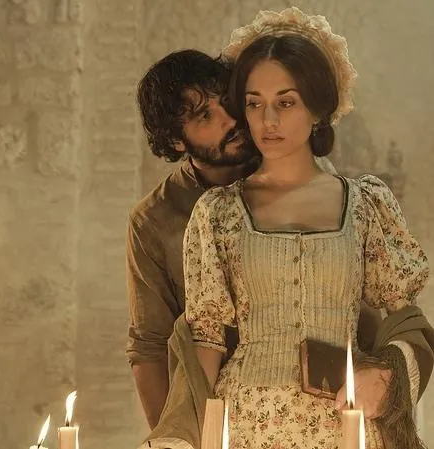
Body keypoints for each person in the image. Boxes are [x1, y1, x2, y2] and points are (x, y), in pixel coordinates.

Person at [183, 7, 432, 449]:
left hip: (346, 419)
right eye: (254, 103)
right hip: (248, 422)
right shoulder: (217, 212)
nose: (268, 121)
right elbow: (207, 339)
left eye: (286, 102)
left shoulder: (365, 204)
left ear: (317, 108)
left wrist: (384, 375)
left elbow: (406, 318)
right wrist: (193, 437)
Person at [126, 48, 347, 430]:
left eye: (227, 102)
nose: (230, 120)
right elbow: (149, 343)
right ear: (176, 141)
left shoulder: (297, 173)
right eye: (204, 116)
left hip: (322, 405)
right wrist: (174, 435)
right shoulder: (155, 220)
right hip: (222, 413)